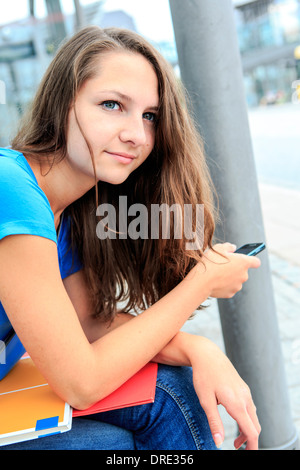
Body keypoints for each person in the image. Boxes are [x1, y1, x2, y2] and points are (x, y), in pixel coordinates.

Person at [0, 26, 261, 450]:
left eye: (149, 116)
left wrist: (198, 349)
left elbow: (89, 323)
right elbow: (80, 383)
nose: (137, 136)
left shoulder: (66, 211)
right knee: (118, 439)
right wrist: (201, 282)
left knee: (170, 392)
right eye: (111, 105)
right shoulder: (10, 187)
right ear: (62, 103)